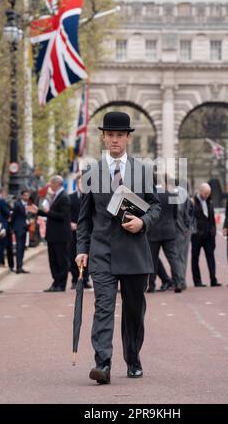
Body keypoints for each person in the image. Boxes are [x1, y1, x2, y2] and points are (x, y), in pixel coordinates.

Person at [76, 111, 161, 384]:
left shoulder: (144, 170)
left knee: (134, 311)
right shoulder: (91, 172)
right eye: (110, 135)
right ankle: (102, 363)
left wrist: (143, 222)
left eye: (120, 135)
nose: (115, 139)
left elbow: (157, 206)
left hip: (135, 251)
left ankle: (133, 358)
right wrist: (82, 248)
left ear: (127, 138)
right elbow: (84, 218)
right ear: (103, 137)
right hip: (102, 252)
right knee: (103, 306)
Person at [31, 176, 72, 292]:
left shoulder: (64, 197)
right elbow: (51, 214)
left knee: (61, 260)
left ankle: (61, 284)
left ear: (57, 184)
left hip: (61, 235)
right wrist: (38, 211)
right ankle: (55, 282)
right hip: (53, 235)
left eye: (51, 184)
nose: (49, 186)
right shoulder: (55, 196)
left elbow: (62, 216)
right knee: (53, 261)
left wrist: (48, 211)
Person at [147, 175, 184, 293]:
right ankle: (178, 283)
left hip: (154, 231)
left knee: (152, 259)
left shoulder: (152, 195)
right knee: (173, 258)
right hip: (169, 230)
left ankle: (151, 285)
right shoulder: (171, 195)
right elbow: (175, 214)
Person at [191, 183, 222, 287]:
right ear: (200, 191)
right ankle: (197, 281)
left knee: (211, 257)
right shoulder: (192, 202)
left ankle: (213, 279)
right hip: (197, 235)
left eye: (208, 193)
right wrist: (195, 231)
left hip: (209, 235)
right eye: (205, 193)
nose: (207, 195)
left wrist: (213, 231)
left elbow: (212, 218)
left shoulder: (210, 201)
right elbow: (190, 218)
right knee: (195, 258)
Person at [69, 174, 91, 290]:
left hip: (88, 231)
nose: (81, 185)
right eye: (80, 183)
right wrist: (70, 223)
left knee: (87, 255)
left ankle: (85, 279)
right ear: (77, 184)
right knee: (74, 255)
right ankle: (74, 279)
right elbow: (66, 213)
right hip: (74, 232)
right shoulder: (71, 197)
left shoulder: (91, 196)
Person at [11, 189, 32, 274]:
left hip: (25, 228)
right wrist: (12, 227)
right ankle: (18, 268)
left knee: (23, 248)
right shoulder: (17, 204)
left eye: (28, 195)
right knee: (19, 248)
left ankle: (20, 266)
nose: (27, 197)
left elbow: (27, 216)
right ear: (22, 196)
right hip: (18, 228)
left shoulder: (29, 205)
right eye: (25, 195)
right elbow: (13, 217)